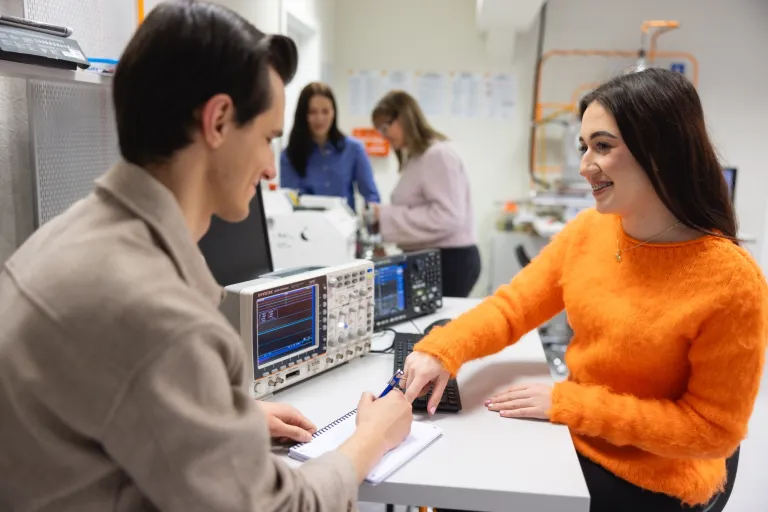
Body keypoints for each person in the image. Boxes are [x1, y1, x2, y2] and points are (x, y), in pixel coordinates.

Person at [0, 2, 412, 511]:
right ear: (217, 121)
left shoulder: (59, 239)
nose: (267, 166)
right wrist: (372, 438)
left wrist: (213, 415)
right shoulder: (161, 316)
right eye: (265, 139)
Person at [401, 68, 767, 512]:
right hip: (576, 435)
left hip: (655, 476)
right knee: (454, 470)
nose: (584, 165)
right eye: (584, 146)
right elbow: (513, 307)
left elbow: (712, 431)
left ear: (659, 150)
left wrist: (568, 403)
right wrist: (441, 349)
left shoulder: (733, 282)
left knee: (463, 496)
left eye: (603, 146)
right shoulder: (590, 230)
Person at [369, 90, 480, 298]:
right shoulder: (418, 157)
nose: (384, 135)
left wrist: (385, 217)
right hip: (433, 258)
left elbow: (449, 216)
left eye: (385, 127)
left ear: (403, 117)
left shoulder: (438, 155)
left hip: (449, 261)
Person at [281, 82, 380, 212]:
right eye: (312, 112)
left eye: (325, 111)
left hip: (345, 227)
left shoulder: (354, 149)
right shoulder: (289, 156)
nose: (319, 118)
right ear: (303, 115)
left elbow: (371, 196)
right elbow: (289, 201)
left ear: (333, 113)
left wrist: (370, 216)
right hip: (306, 227)